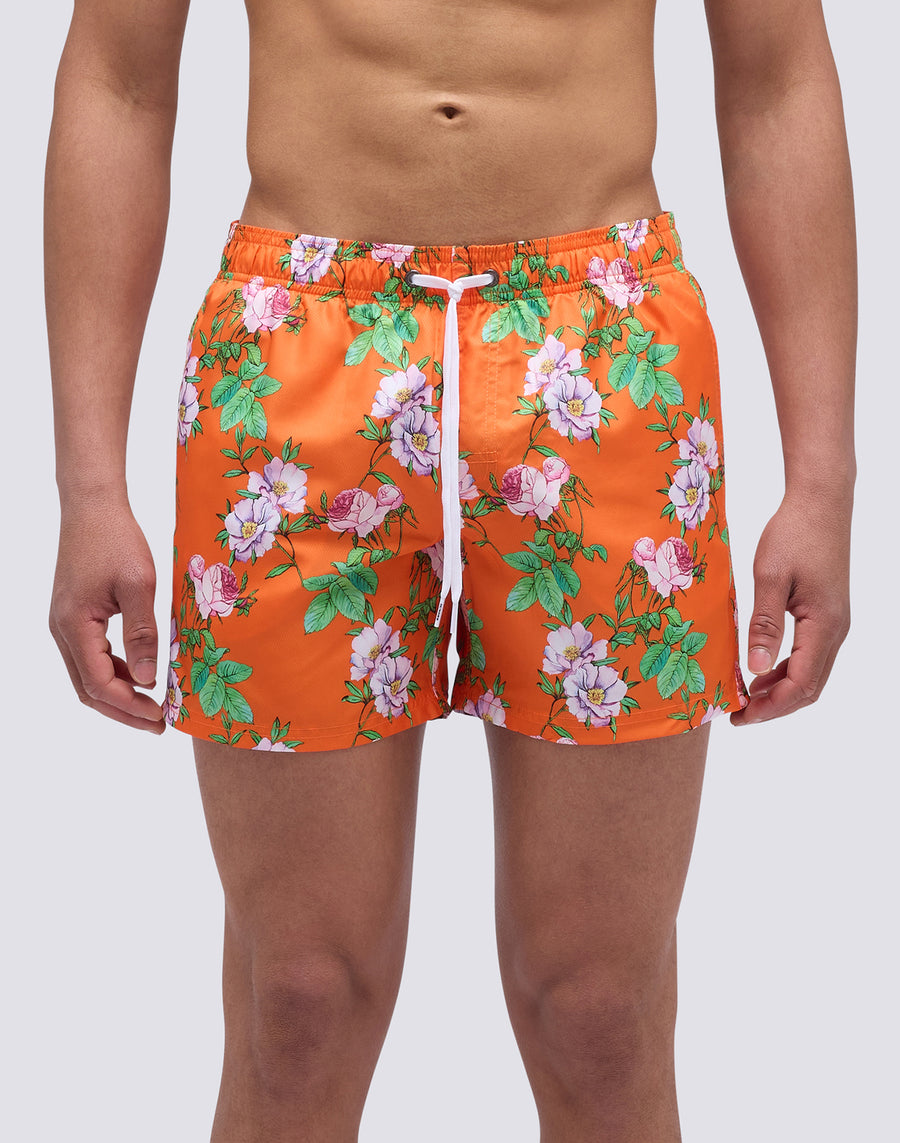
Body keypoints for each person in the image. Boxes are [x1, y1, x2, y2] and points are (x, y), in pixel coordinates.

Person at [44, 1, 856, 1139]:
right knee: (299, 1002)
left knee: (599, 1012)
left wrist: (823, 477)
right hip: (294, 348)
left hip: (602, 348)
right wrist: (89, 484)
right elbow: (118, 81)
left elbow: (778, 81)